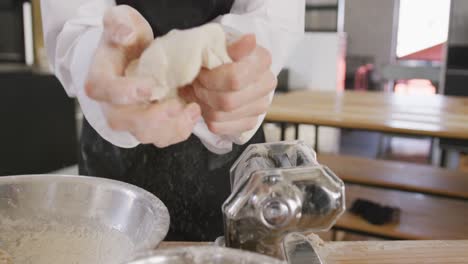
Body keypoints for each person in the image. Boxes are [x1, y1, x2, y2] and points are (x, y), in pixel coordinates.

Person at [41, 0, 304, 241]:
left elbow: (273, 19)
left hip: (230, 172)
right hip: (113, 163)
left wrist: (237, 71)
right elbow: (73, 24)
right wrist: (103, 62)